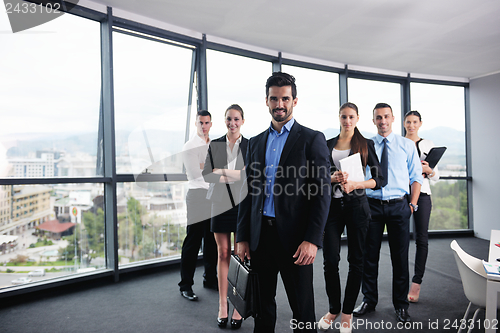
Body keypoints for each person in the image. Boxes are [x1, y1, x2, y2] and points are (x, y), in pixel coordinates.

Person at [236, 72, 331, 333]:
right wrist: (242, 237)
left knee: (302, 311)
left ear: (295, 101)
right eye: (274, 99)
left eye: (285, 99)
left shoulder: (312, 139)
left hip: (296, 241)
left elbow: (322, 194)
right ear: (266, 101)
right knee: (262, 309)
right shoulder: (254, 143)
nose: (280, 104)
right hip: (260, 238)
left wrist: (312, 239)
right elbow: (248, 193)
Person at [353, 103, 423, 323]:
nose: (382, 121)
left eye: (386, 116)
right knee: (368, 257)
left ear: (392, 118)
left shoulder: (406, 145)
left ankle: (401, 305)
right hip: (371, 206)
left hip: (398, 207)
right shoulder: (365, 145)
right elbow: (357, 175)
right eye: (378, 117)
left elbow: (416, 178)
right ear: (373, 121)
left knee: (400, 259)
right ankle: (368, 300)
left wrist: (411, 205)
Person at [318, 102, 384, 333]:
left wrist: (357, 183)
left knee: (356, 262)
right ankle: (333, 308)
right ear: (339, 118)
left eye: (351, 117)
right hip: (332, 209)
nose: (347, 121)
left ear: (357, 119)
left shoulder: (365, 144)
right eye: (344, 117)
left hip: (357, 207)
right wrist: (331, 178)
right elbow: (317, 176)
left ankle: (346, 313)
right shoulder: (327, 144)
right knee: (330, 262)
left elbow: (380, 179)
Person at [202, 104, 248, 329]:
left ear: (242, 121)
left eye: (236, 119)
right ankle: (222, 305)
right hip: (219, 204)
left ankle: (238, 306)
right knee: (222, 253)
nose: (232, 123)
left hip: (241, 205)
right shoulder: (217, 144)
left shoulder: (250, 145)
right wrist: (235, 175)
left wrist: (224, 173)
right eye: (229, 119)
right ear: (225, 120)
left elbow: (249, 177)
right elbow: (208, 176)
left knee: (240, 257)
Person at [178, 110, 218, 301]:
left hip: (213, 195)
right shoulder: (189, 146)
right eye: (201, 123)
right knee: (193, 241)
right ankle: (185, 285)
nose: (204, 126)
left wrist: (206, 166)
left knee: (212, 241)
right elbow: (195, 174)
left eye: (207, 123)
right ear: (196, 124)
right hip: (197, 196)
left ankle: (210, 278)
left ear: (211, 124)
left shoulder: (215, 145)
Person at [404, 110, 440, 303]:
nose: (411, 125)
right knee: (400, 239)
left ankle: (416, 283)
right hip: (403, 195)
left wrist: (429, 170)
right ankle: (401, 283)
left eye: (414, 122)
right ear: (403, 123)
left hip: (424, 195)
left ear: (420, 123)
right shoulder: (399, 143)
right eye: (408, 122)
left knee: (422, 239)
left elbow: (436, 177)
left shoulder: (428, 144)